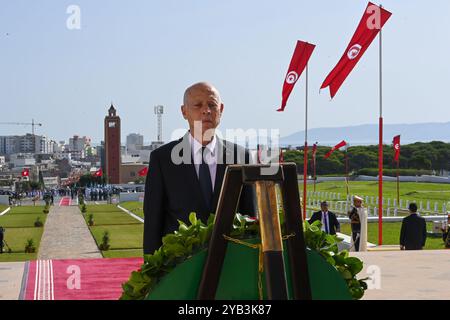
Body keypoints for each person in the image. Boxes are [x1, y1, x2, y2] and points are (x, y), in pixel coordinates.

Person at [143, 82, 256, 255]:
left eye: (212, 105)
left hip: (230, 266)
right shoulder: (162, 159)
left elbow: (251, 218)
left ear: (221, 109)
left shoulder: (242, 157)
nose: (206, 110)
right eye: (198, 105)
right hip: (180, 268)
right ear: (184, 111)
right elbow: (153, 223)